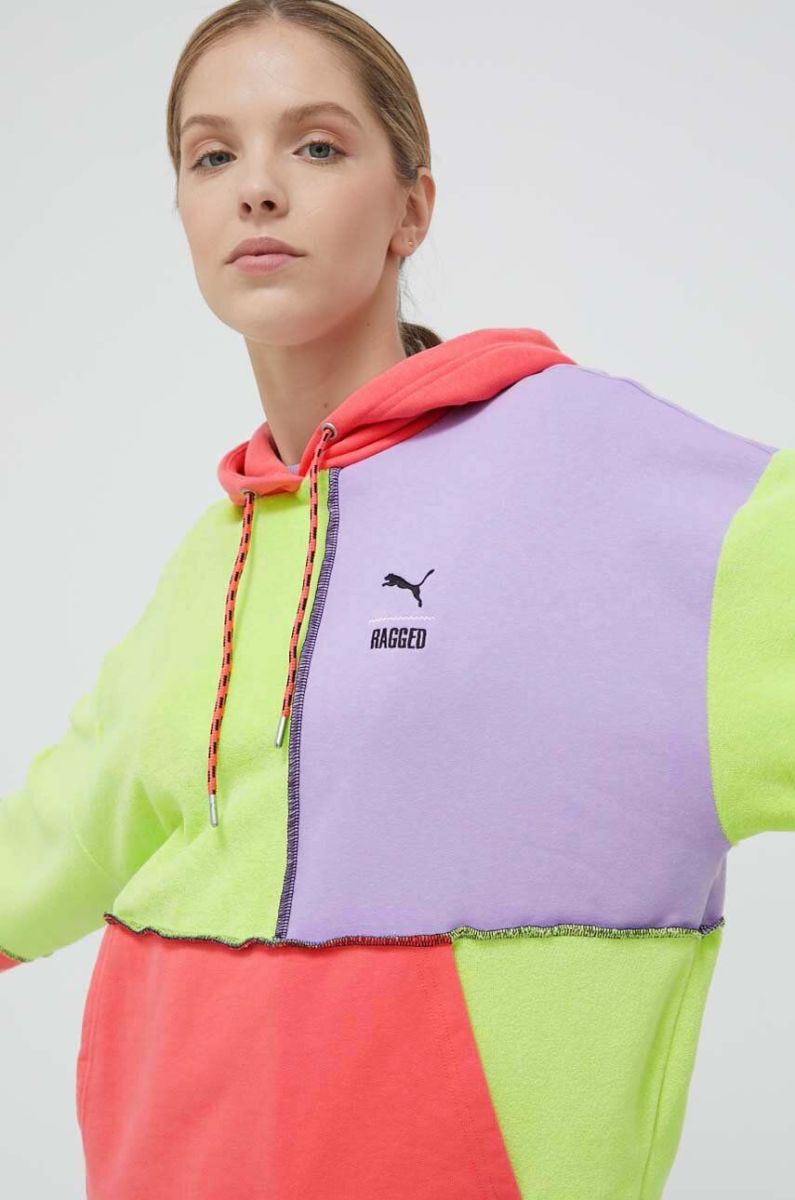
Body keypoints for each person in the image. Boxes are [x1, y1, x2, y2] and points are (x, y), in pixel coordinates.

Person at [2, 2, 793, 1197]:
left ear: (411, 208)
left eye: (316, 145)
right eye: (212, 156)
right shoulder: (210, 562)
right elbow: (64, 831)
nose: (256, 189)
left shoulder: (585, 472)